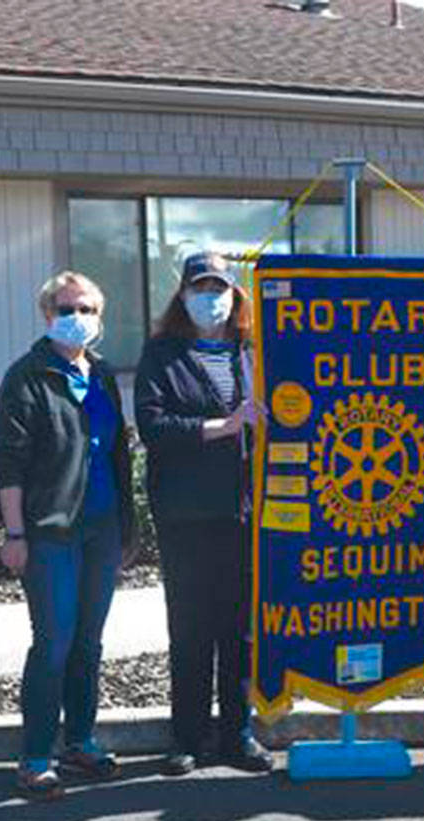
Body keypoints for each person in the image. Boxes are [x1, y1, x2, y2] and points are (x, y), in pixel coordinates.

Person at [0, 271, 135, 800]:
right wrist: (15, 532)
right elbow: (6, 462)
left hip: (102, 528)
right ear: (47, 314)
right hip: (50, 532)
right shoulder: (26, 377)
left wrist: (127, 530)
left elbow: (118, 453)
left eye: (89, 309)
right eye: (68, 308)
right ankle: (34, 755)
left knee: (89, 643)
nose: (79, 317)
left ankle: (81, 740)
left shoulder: (100, 373)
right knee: (54, 642)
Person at [133, 251, 273, 776]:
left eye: (219, 287)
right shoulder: (161, 353)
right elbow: (153, 426)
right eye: (200, 287)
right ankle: (187, 738)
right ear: (183, 295)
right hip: (185, 514)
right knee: (190, 630)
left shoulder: (249, 351)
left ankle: (239, 735)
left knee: (239, 631)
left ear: (234, 295)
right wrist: (224, 426)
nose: (210, 297)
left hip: (241, 512)